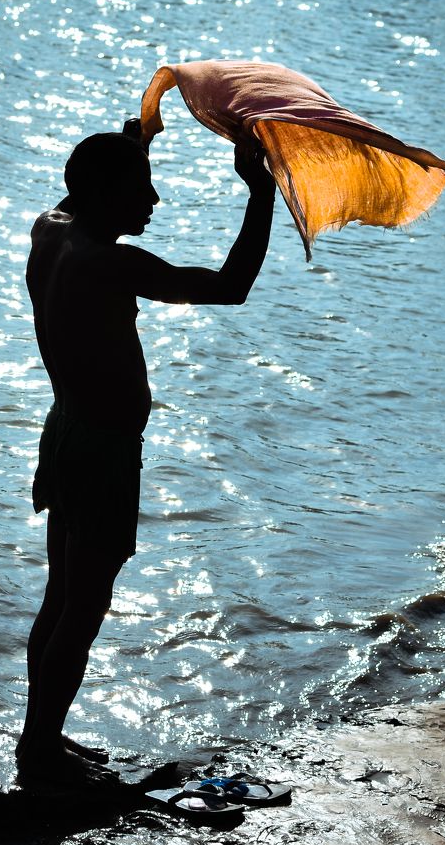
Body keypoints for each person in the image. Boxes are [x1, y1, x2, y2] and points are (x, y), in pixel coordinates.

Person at [16, 121, 275, 784]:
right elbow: (230, 285)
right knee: (84, 605)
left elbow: (90, 191)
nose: (155, 199)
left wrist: (137, 147)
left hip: (65, 430)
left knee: (60, 598)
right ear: (105, 193)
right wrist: (261, 193)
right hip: (100, 451)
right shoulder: (110, 263)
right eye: (143, 187)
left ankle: (39, 737)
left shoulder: (52, 230)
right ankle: (41, 752)